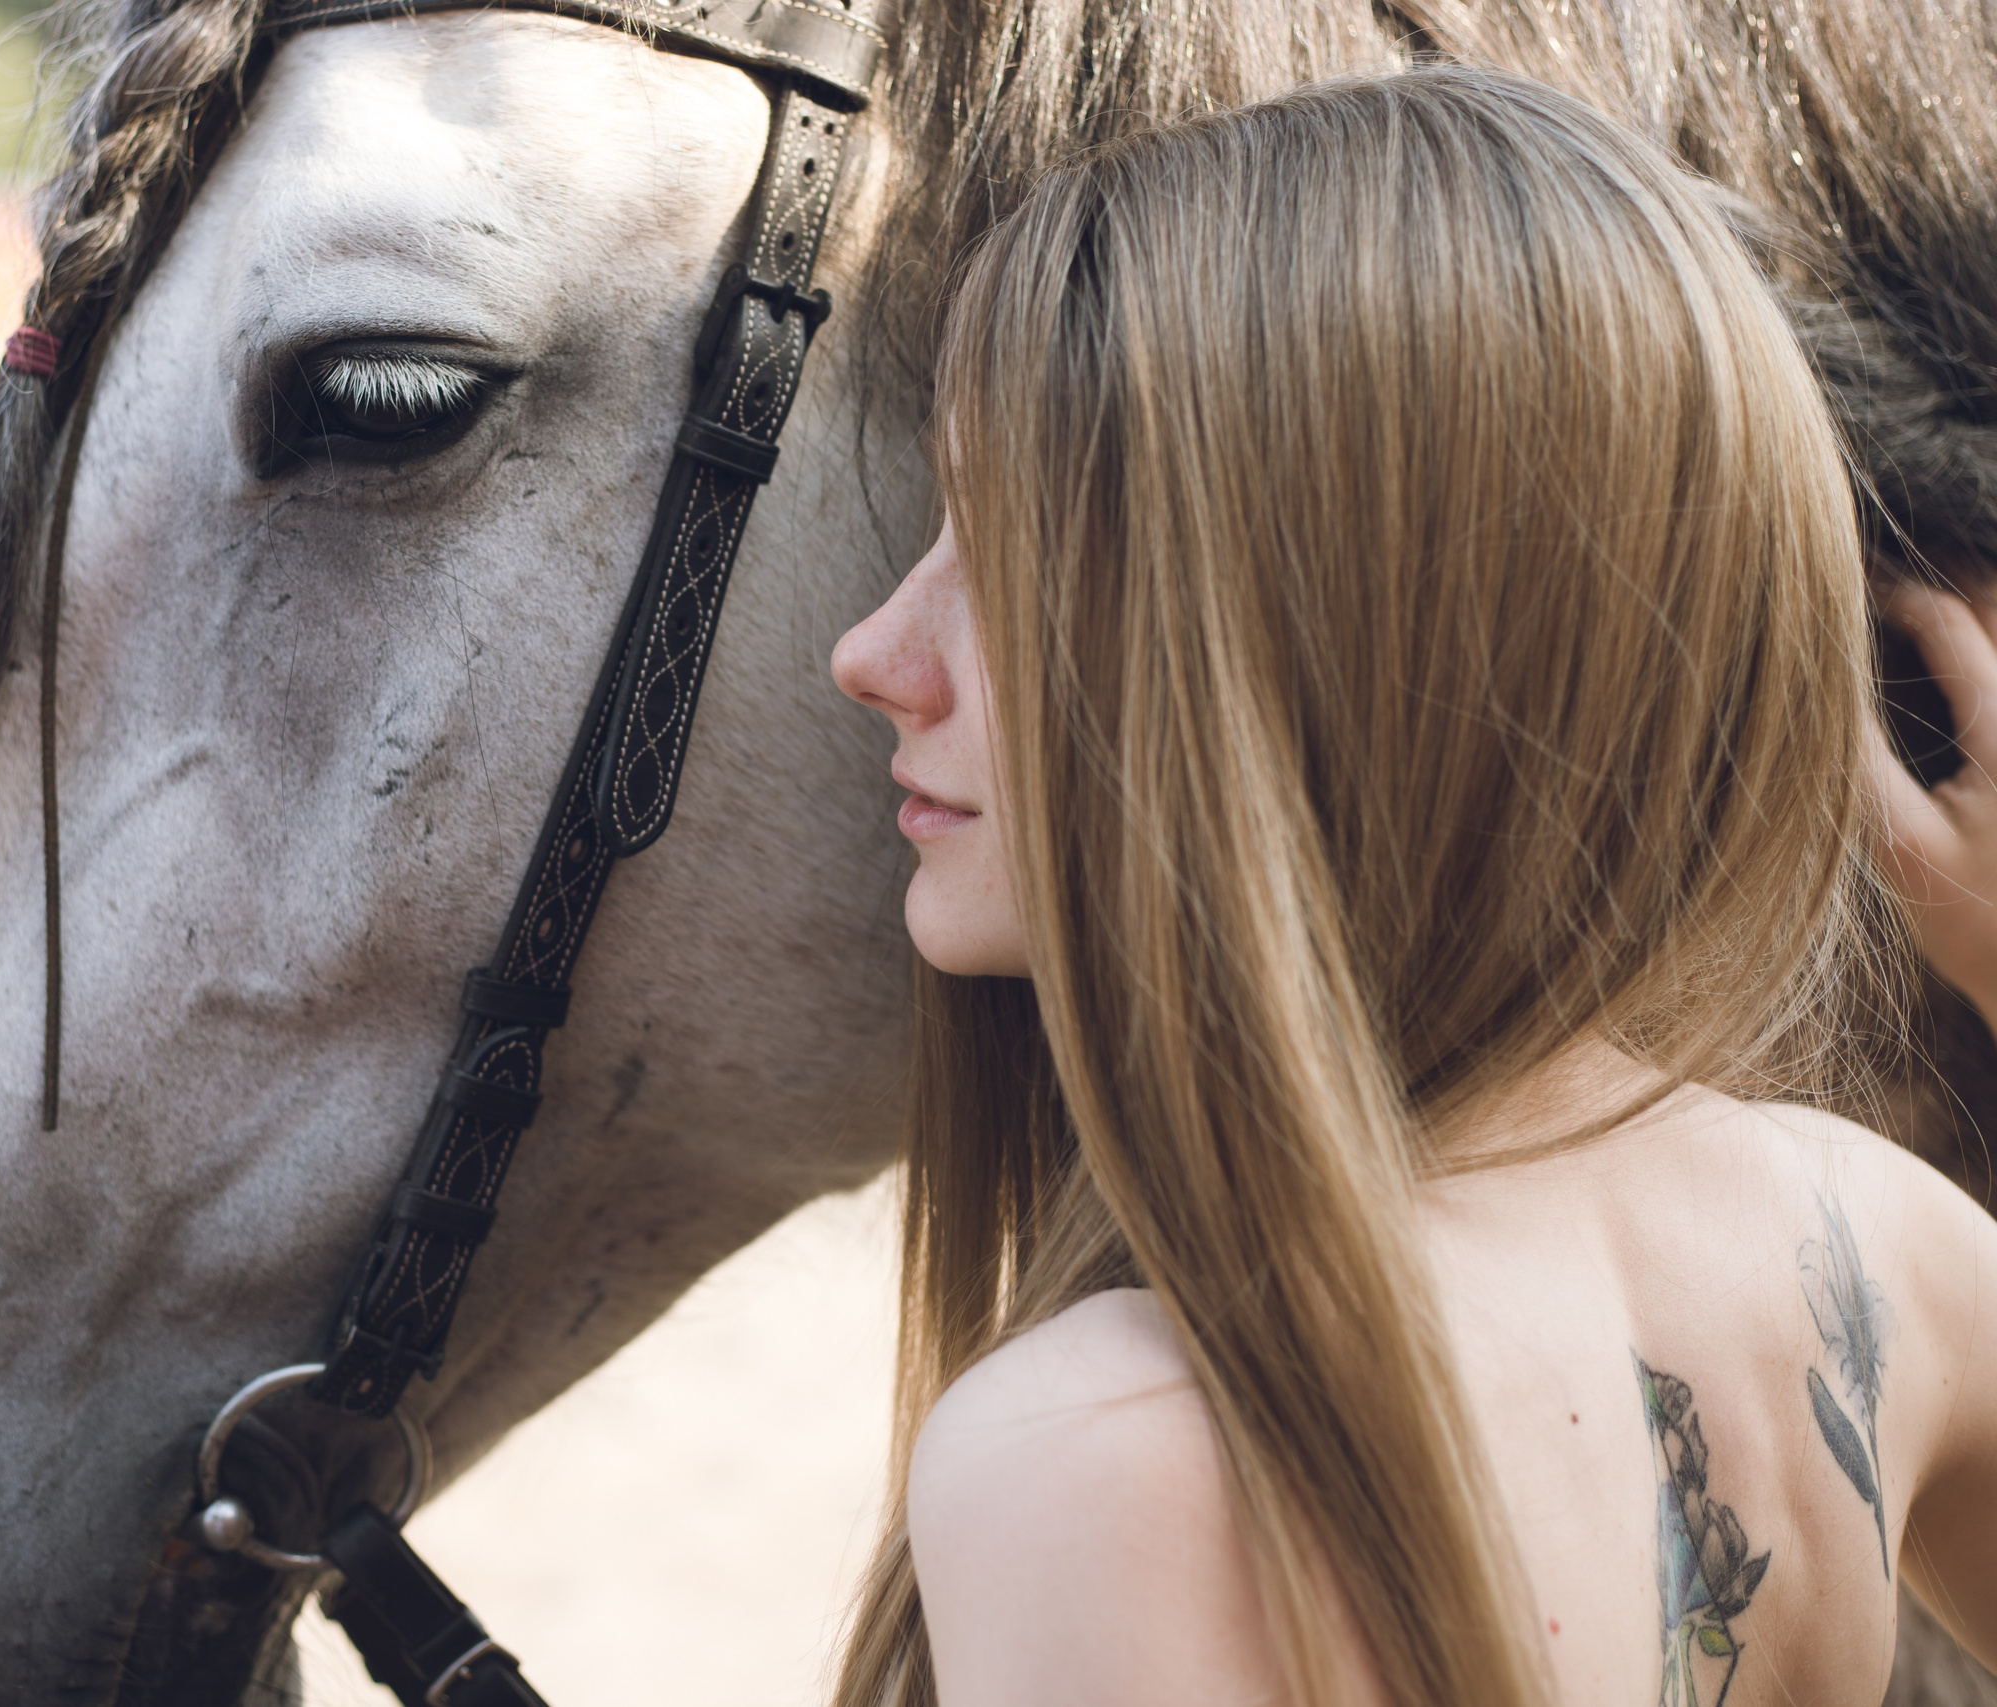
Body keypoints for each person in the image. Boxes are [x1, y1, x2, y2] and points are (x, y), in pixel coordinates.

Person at [825, 67, 1997, 1707]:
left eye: (1004, 547)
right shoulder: (1867, 1241)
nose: (872, 655)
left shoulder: (1117, 1452)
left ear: (1327, 647)